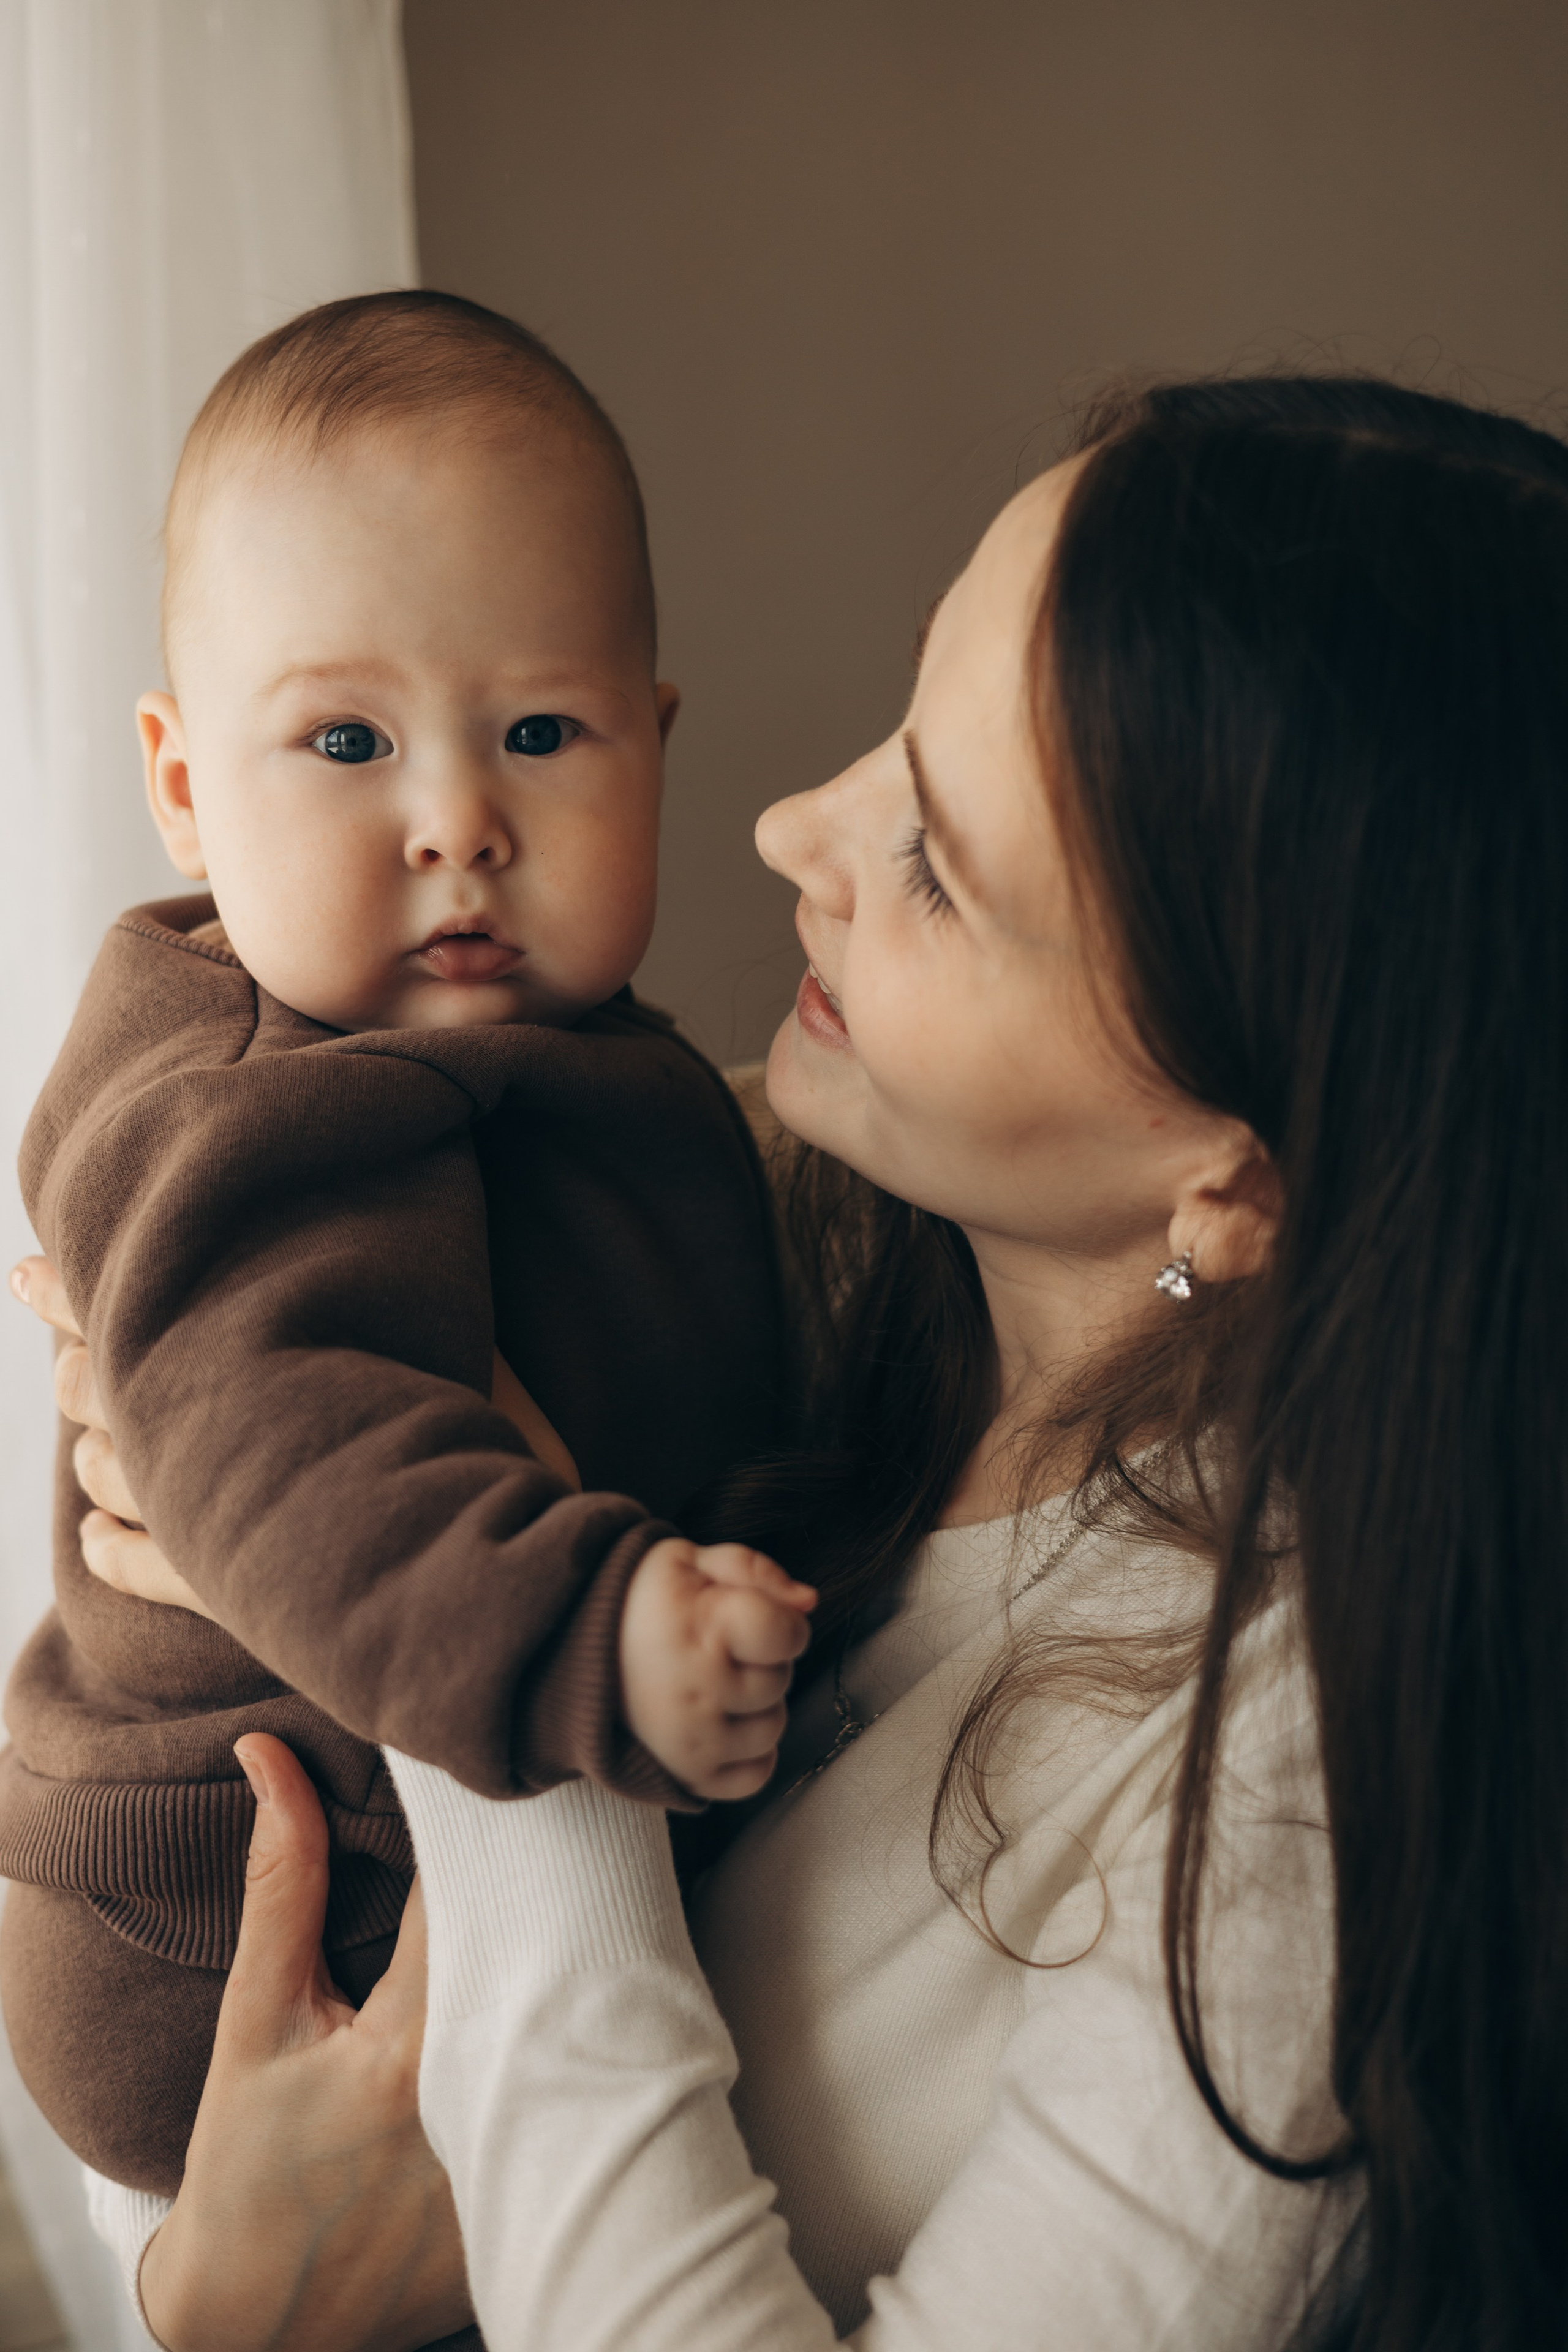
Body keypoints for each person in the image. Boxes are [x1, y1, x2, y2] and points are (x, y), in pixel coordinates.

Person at [17, 375, 1568, 2351]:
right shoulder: (763, 1226)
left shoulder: (1309, 1801)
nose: (791, 828)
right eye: (898, 730)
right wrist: (207, 2290)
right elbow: (176, 1882)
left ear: (1236, 1180)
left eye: (939, 860)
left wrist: (508, 1708)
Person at [0, 290, 810, 2217]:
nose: (459, 822)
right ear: (187, 783)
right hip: (238, 1912)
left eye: (541, 731)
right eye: (347, 739)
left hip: (458, 1818)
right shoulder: (245, 1099)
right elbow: (291, 1442)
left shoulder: (564, 1058)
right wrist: (587, 1634)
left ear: (656, 744)